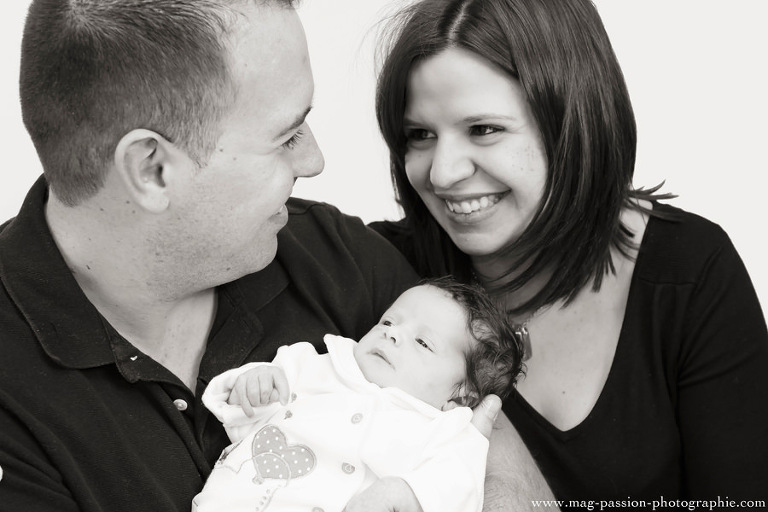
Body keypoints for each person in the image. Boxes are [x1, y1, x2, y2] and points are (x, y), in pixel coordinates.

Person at [0, 1, 433, 511]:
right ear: (152, 169)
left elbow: (492, 449)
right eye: (286, 136)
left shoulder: (332, 253)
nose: (313, 161)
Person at [370, 0, 768, 505]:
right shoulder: (378, 267)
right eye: (419, 135)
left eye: (484, 129)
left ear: (573, 121)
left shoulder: (690, 269)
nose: (442, 173)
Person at [192, 278, 524, 512]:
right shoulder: (311, 363)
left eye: (423, 343)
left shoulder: (446, 433)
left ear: (459, 398)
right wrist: (255, 383)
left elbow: (459, 490)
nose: (392, 335)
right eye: (389, 322)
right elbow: (240, 417)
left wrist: (405, 493)